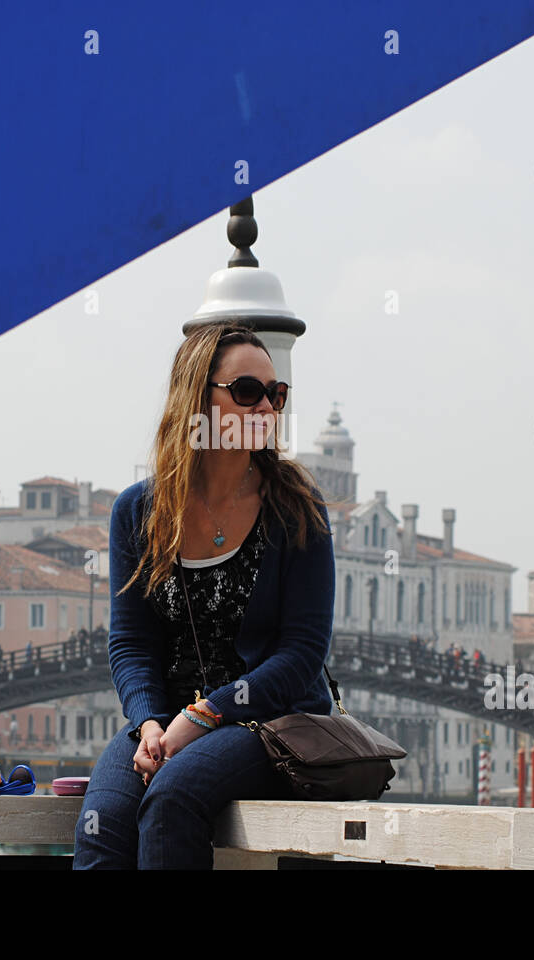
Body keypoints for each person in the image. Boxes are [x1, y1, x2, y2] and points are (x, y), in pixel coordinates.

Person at [73, 324, 335, 870]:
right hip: (166, 719)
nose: (266, 406)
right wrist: (149, 722)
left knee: (171, 799)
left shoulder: (297, 508)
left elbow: (303, 653)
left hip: (267, 721)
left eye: (276, 393)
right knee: (103, 826)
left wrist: (206, 713)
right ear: (199, 398)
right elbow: (130, 643)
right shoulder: (138, 512)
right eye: (247, 392)